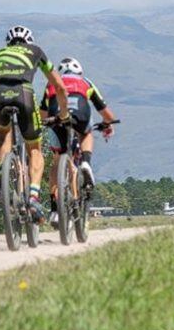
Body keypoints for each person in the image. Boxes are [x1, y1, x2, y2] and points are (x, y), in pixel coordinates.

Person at [0, 25, 69, 224]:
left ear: (8, 43)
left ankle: (3, 176)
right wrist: (63, 114)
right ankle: (33, 198)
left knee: (4, 132)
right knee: (35, 149)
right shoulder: (36, 51)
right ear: (28, 41)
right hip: (24, 94)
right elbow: (59, 86)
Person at [40, 57, 117, 228]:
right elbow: (105, 112)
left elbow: (42, 114)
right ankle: (86, 163)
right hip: (80, 113)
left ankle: (54, 209)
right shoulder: (85, 82)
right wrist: (108, 125)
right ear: (79, 71)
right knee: (86, 133)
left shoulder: (52, 82)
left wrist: (47, 123)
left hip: (57, 115)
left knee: (57, 160)